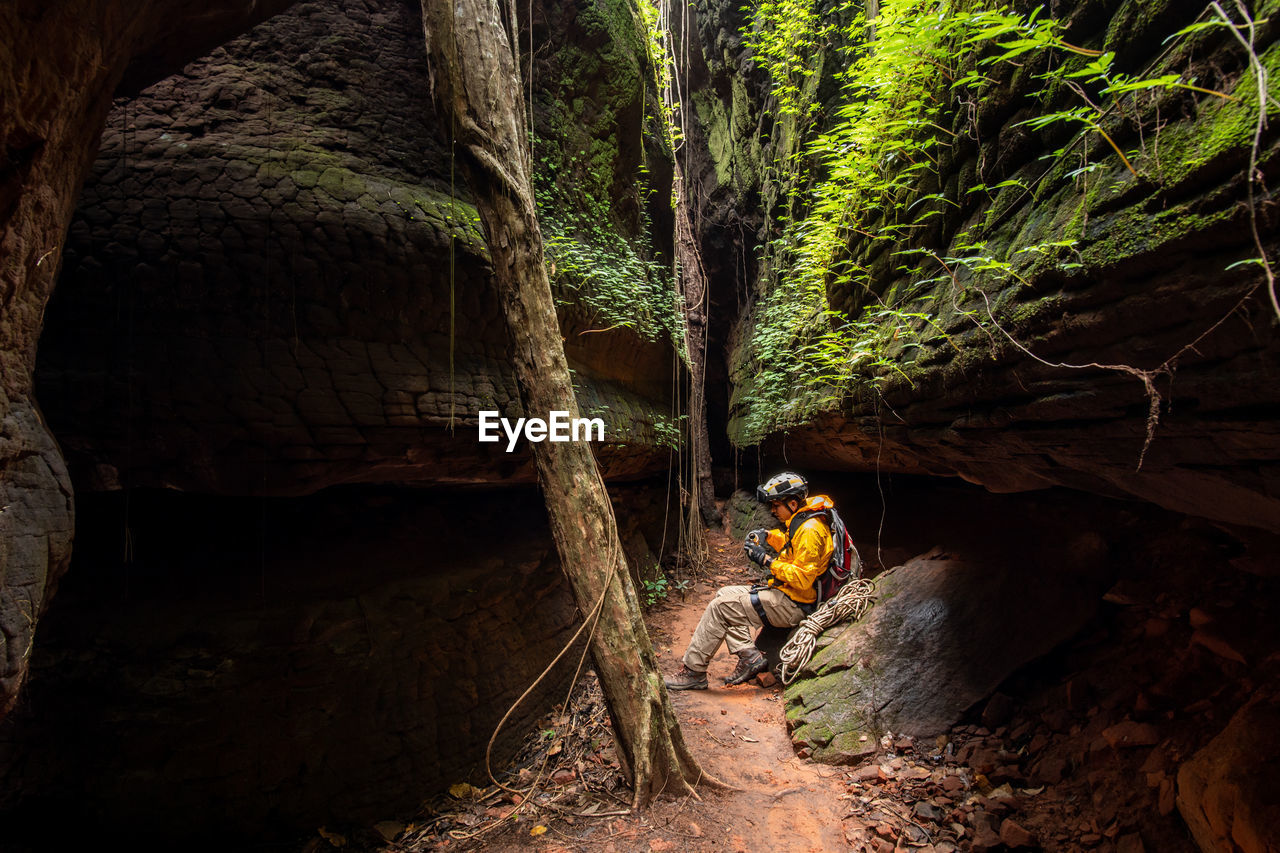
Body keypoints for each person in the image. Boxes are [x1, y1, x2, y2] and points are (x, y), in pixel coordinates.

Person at [664, 472, 836, 690]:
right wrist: (768, 536)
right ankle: (749, 656)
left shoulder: (811, 530)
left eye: (776, 506)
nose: (773, 511)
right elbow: (794, 546)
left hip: (795, 603)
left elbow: (802, 578)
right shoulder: (805, 521)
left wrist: (766, 560)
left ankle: (693, 672)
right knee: (724, 594)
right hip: (788, 593)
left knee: (720, 608)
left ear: (792, 503)